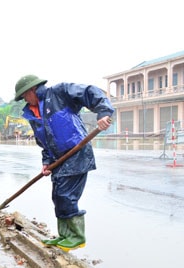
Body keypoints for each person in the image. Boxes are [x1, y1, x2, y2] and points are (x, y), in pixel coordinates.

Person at [14, 75, 113, 252]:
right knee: (58, 197)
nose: (24, 100)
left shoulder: (59, 93)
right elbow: (43, 142)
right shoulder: (32, 113)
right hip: (57, 159)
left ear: (32, 90)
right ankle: (64, 236)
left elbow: (91, 92)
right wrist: (46, 162)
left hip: (77, 153)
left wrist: (104, 112)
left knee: (66, 195)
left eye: (24, 96)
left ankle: (76, 237)